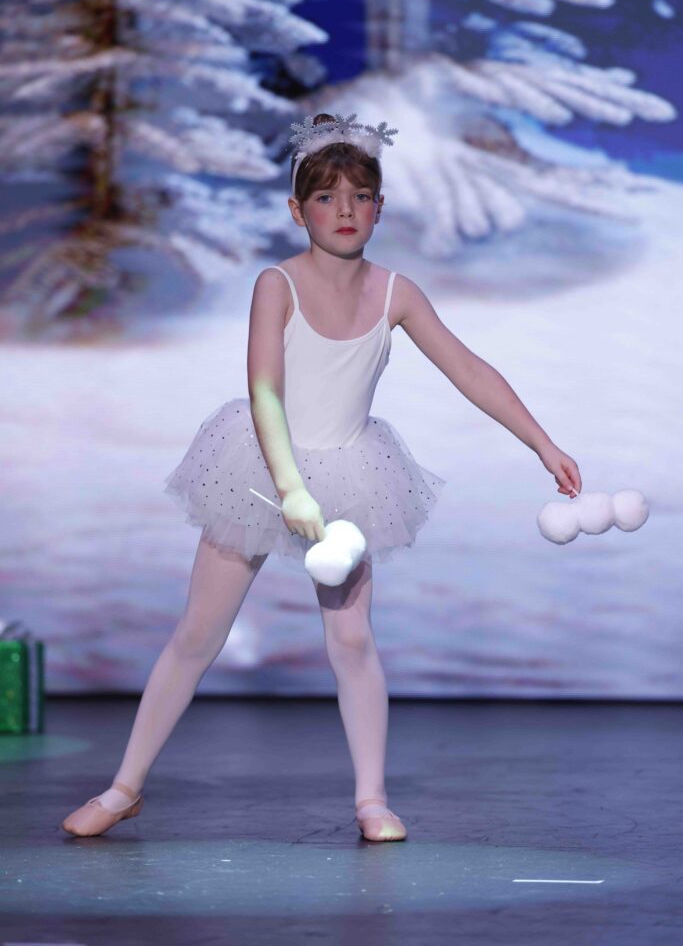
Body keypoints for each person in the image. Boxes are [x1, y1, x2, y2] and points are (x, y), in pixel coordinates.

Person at [62, 111, 581, 842]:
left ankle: (372, 800)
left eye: (360, 196)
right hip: (259, 468)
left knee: (352, 640)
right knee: (198, 634)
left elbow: (467, 368)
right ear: (296, 209)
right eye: (327, 197)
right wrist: (289, 488)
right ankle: (124, 788)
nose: (345, 210)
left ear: (379, 208)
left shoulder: (396, 292)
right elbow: (265, 391)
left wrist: (541, 443)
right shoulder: (277, 284)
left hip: (352, 474)